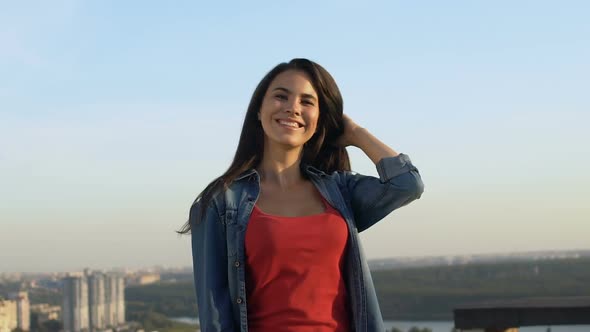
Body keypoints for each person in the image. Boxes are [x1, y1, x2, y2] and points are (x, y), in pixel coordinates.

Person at [179, 58, 424, 332]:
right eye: (280, 96)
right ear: (258, 111)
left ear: (320, 120)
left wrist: (356, 133)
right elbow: (215, 314)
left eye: (307, 102)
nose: (292, 107)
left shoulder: (340, 190)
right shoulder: (221, 203)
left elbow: (406, 185)